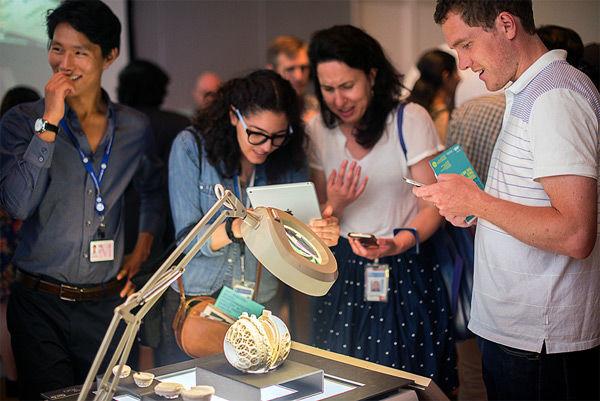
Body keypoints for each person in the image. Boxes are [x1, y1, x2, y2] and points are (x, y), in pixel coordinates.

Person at [414, 1, 600, 400]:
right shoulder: (530, 89)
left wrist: (478, 202)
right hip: (522, 335)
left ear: (505, 24)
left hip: (540, 342)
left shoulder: (555, 97)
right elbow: (534, 207)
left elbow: (575, 233)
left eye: (466, 45)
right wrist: (477, 211)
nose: (462, 63)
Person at [0, 1, 163, 398]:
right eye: (57, 48)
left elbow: (152, 188)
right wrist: (49, 124)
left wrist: (142, 244)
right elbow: (17, 204)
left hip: (104, 307)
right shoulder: (22, 121)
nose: (64, 62)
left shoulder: (134, 128)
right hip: (39, 303)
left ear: (109, 56)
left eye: (80, 51)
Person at [307, 25, 457, 394]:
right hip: (341, 271)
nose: (338, 100)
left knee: (409, 381)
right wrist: (335, 206)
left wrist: (400, 241)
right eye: (328, 89)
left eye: (347, 86)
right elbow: (316, 216)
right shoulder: (318, 131)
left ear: (372, 76)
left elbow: (433, 202)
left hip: (405, 267)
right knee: (344, 381)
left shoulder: (408, 120)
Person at [157, 69, 339, 366]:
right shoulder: (192, 148)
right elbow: (187, 244)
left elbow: (296, 240)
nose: (267, 146)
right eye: (256, 133)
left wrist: (317, 236)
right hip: (198, 302)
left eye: (277, 136)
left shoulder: (289, 156)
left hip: (260, 303)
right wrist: (238, 227)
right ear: (233, 116)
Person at [0, 85, 40, 400]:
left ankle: (12, 381)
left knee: (3, 311)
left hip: (7, 236)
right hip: (25, 239)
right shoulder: (39, 141)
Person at [446, 94, 505, 185]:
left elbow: (448, 157)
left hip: (459, 192)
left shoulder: (465, 107)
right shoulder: (514, 111)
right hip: (499, 195)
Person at [407, 49, 461, 143]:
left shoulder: (409, 107)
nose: (459, 78)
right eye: (456, 72)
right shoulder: (442, 116)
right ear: (446, 76)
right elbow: (445, 156)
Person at [267, 35, 318, 122]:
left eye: (303, 68)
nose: (299, 77)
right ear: (272, 71)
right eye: (290, 69)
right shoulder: (262, 111)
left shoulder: (316, 107)